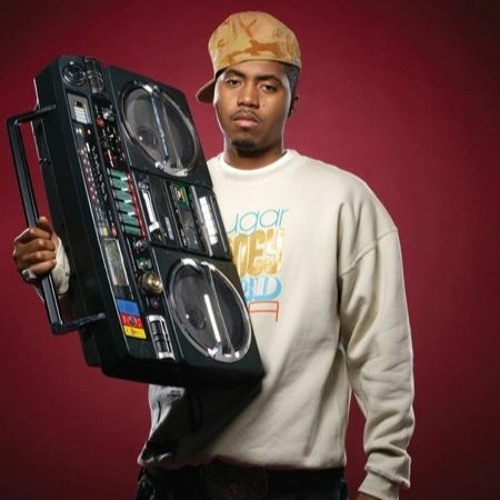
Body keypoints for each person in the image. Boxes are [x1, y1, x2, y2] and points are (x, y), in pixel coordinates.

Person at [12, 11, 414, 500]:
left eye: (268, 85)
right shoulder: (164, 190)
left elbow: (383, 348)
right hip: (173, 482)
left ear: (293, 100)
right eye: (233, 81)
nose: (248, 98)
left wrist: (384, 480)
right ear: (214, 94)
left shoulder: (341, 199)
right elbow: (128, 311)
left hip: (293, 488)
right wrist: (57, 271)